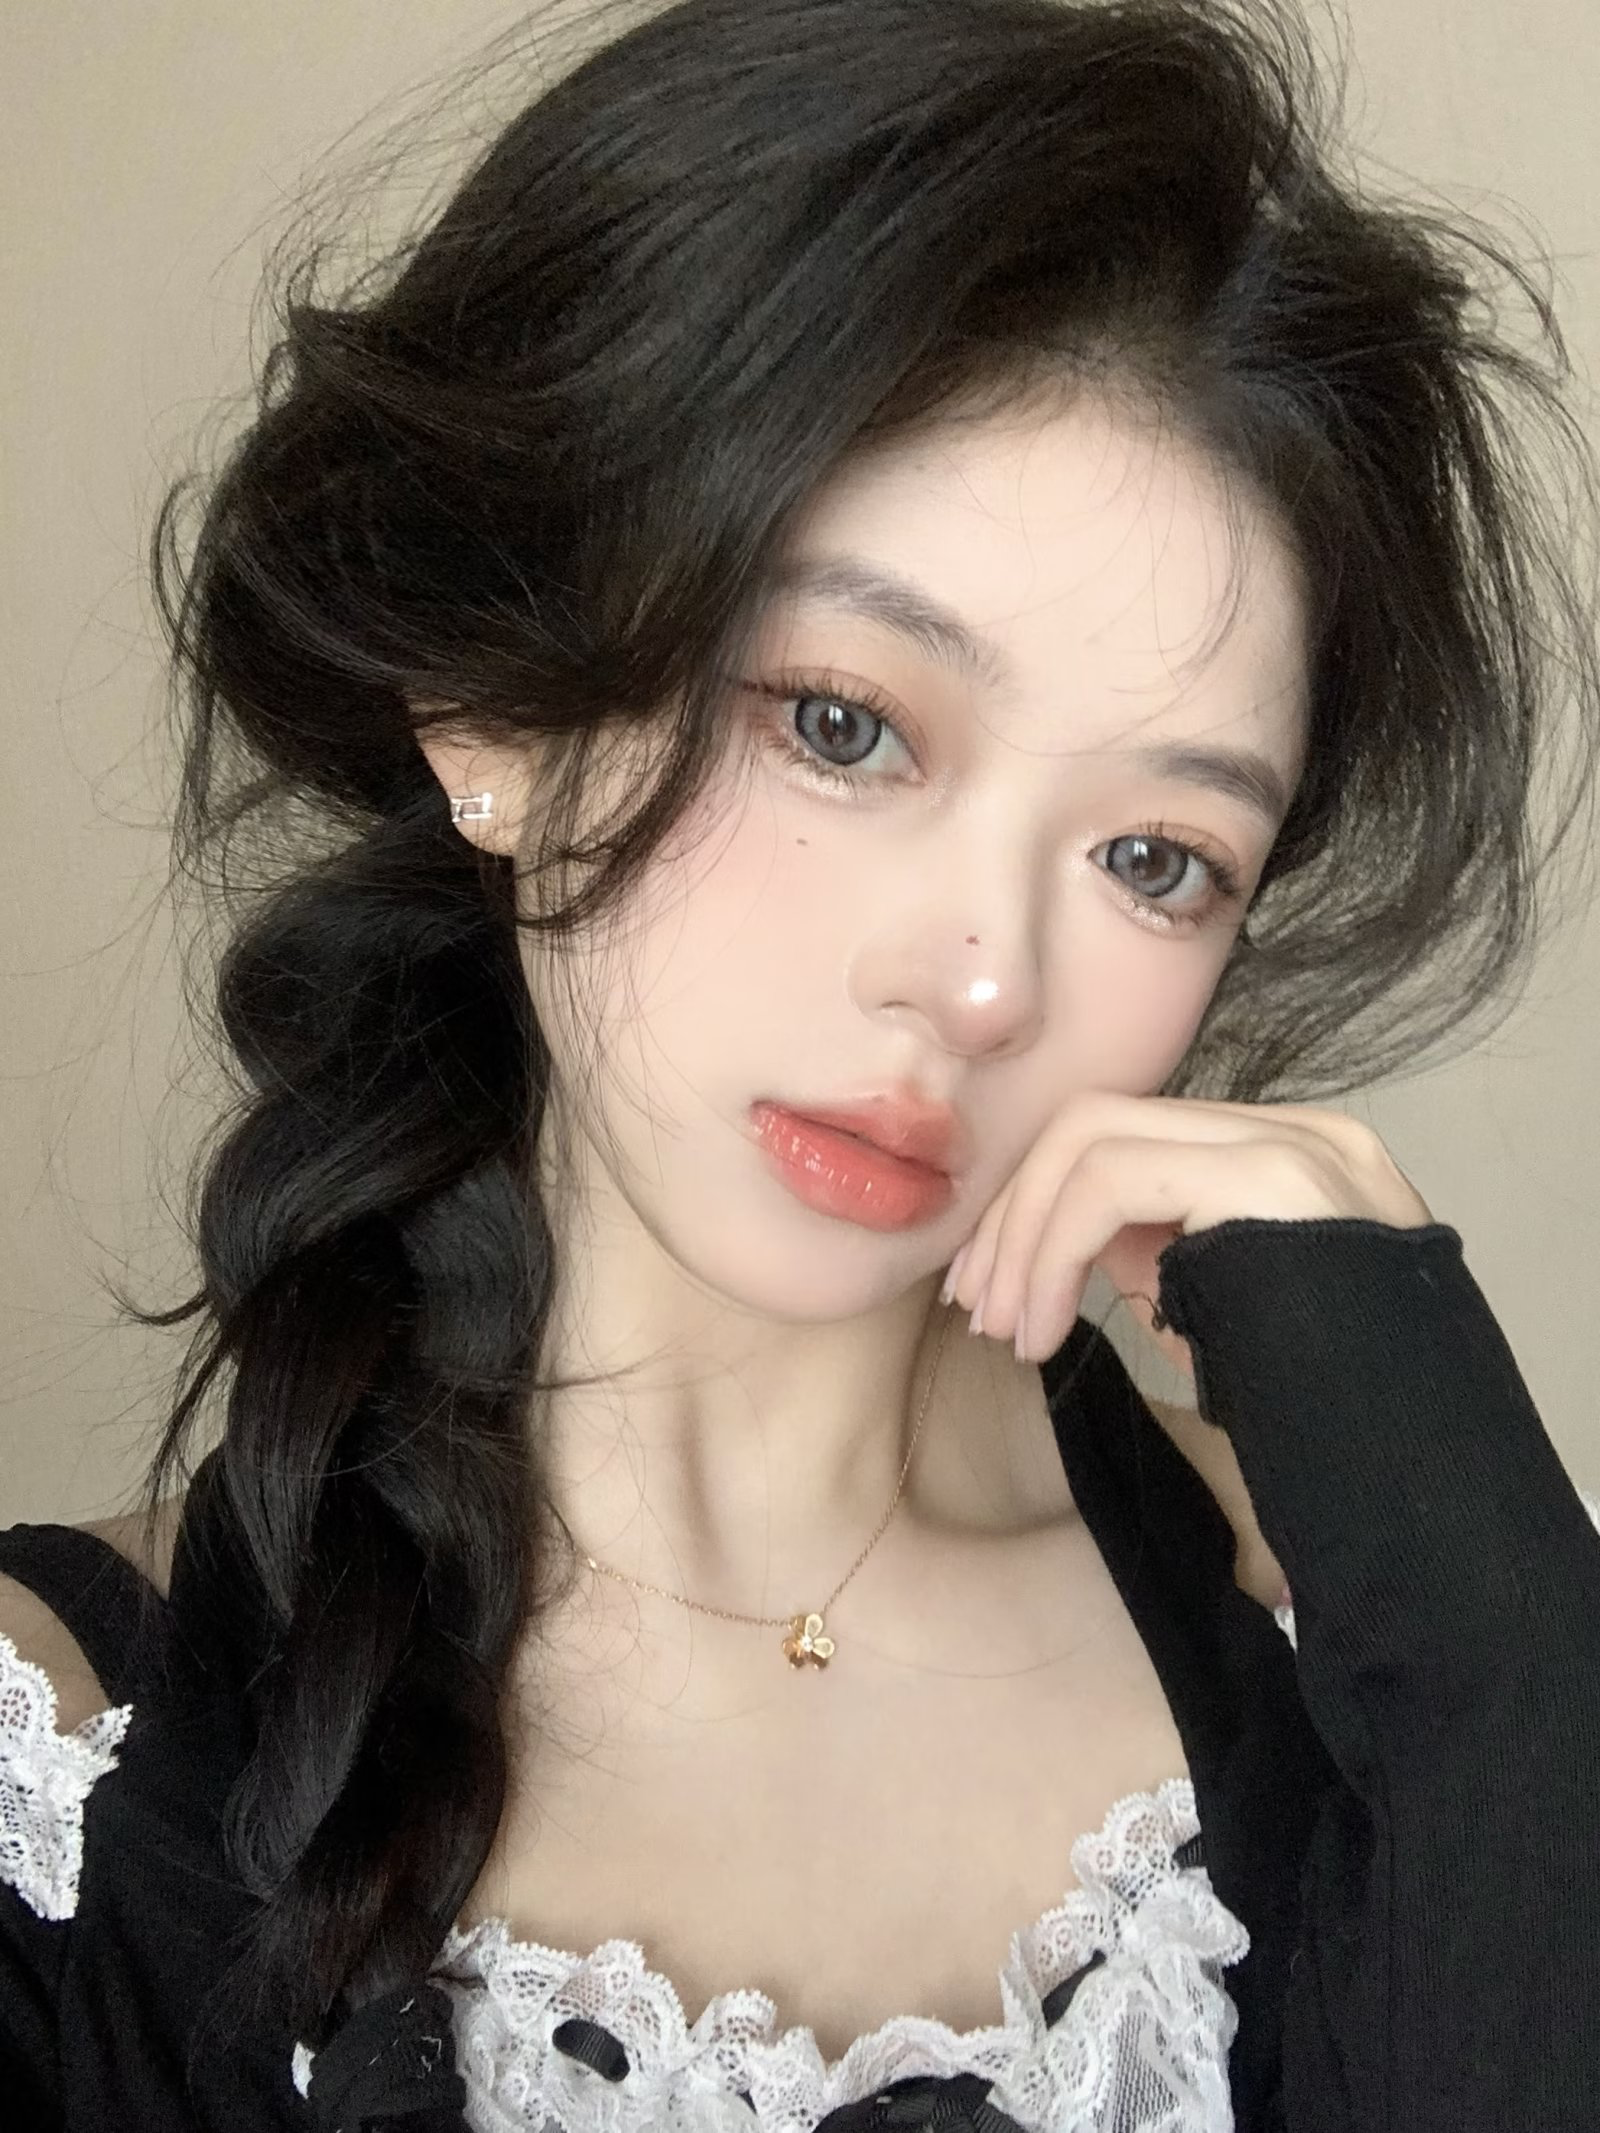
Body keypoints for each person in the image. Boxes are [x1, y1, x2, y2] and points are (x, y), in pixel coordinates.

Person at [2, 0, 1598, 2126]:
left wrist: (1508, 1646)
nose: (980, 982)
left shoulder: (1366, 1652)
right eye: (843, 727)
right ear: (495, 704)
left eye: (1152, 857)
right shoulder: (63, 1758)